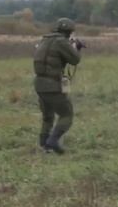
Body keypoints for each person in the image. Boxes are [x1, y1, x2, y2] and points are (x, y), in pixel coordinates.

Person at [33, 18, 85, 154]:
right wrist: (77, 48)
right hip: (53, 85)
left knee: (48, 116)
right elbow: (75, 60)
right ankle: (52, 142)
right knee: (66, 115)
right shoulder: (61, 42)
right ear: (69, 32)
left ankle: (44, 143)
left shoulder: (44, 40)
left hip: (39, 84)